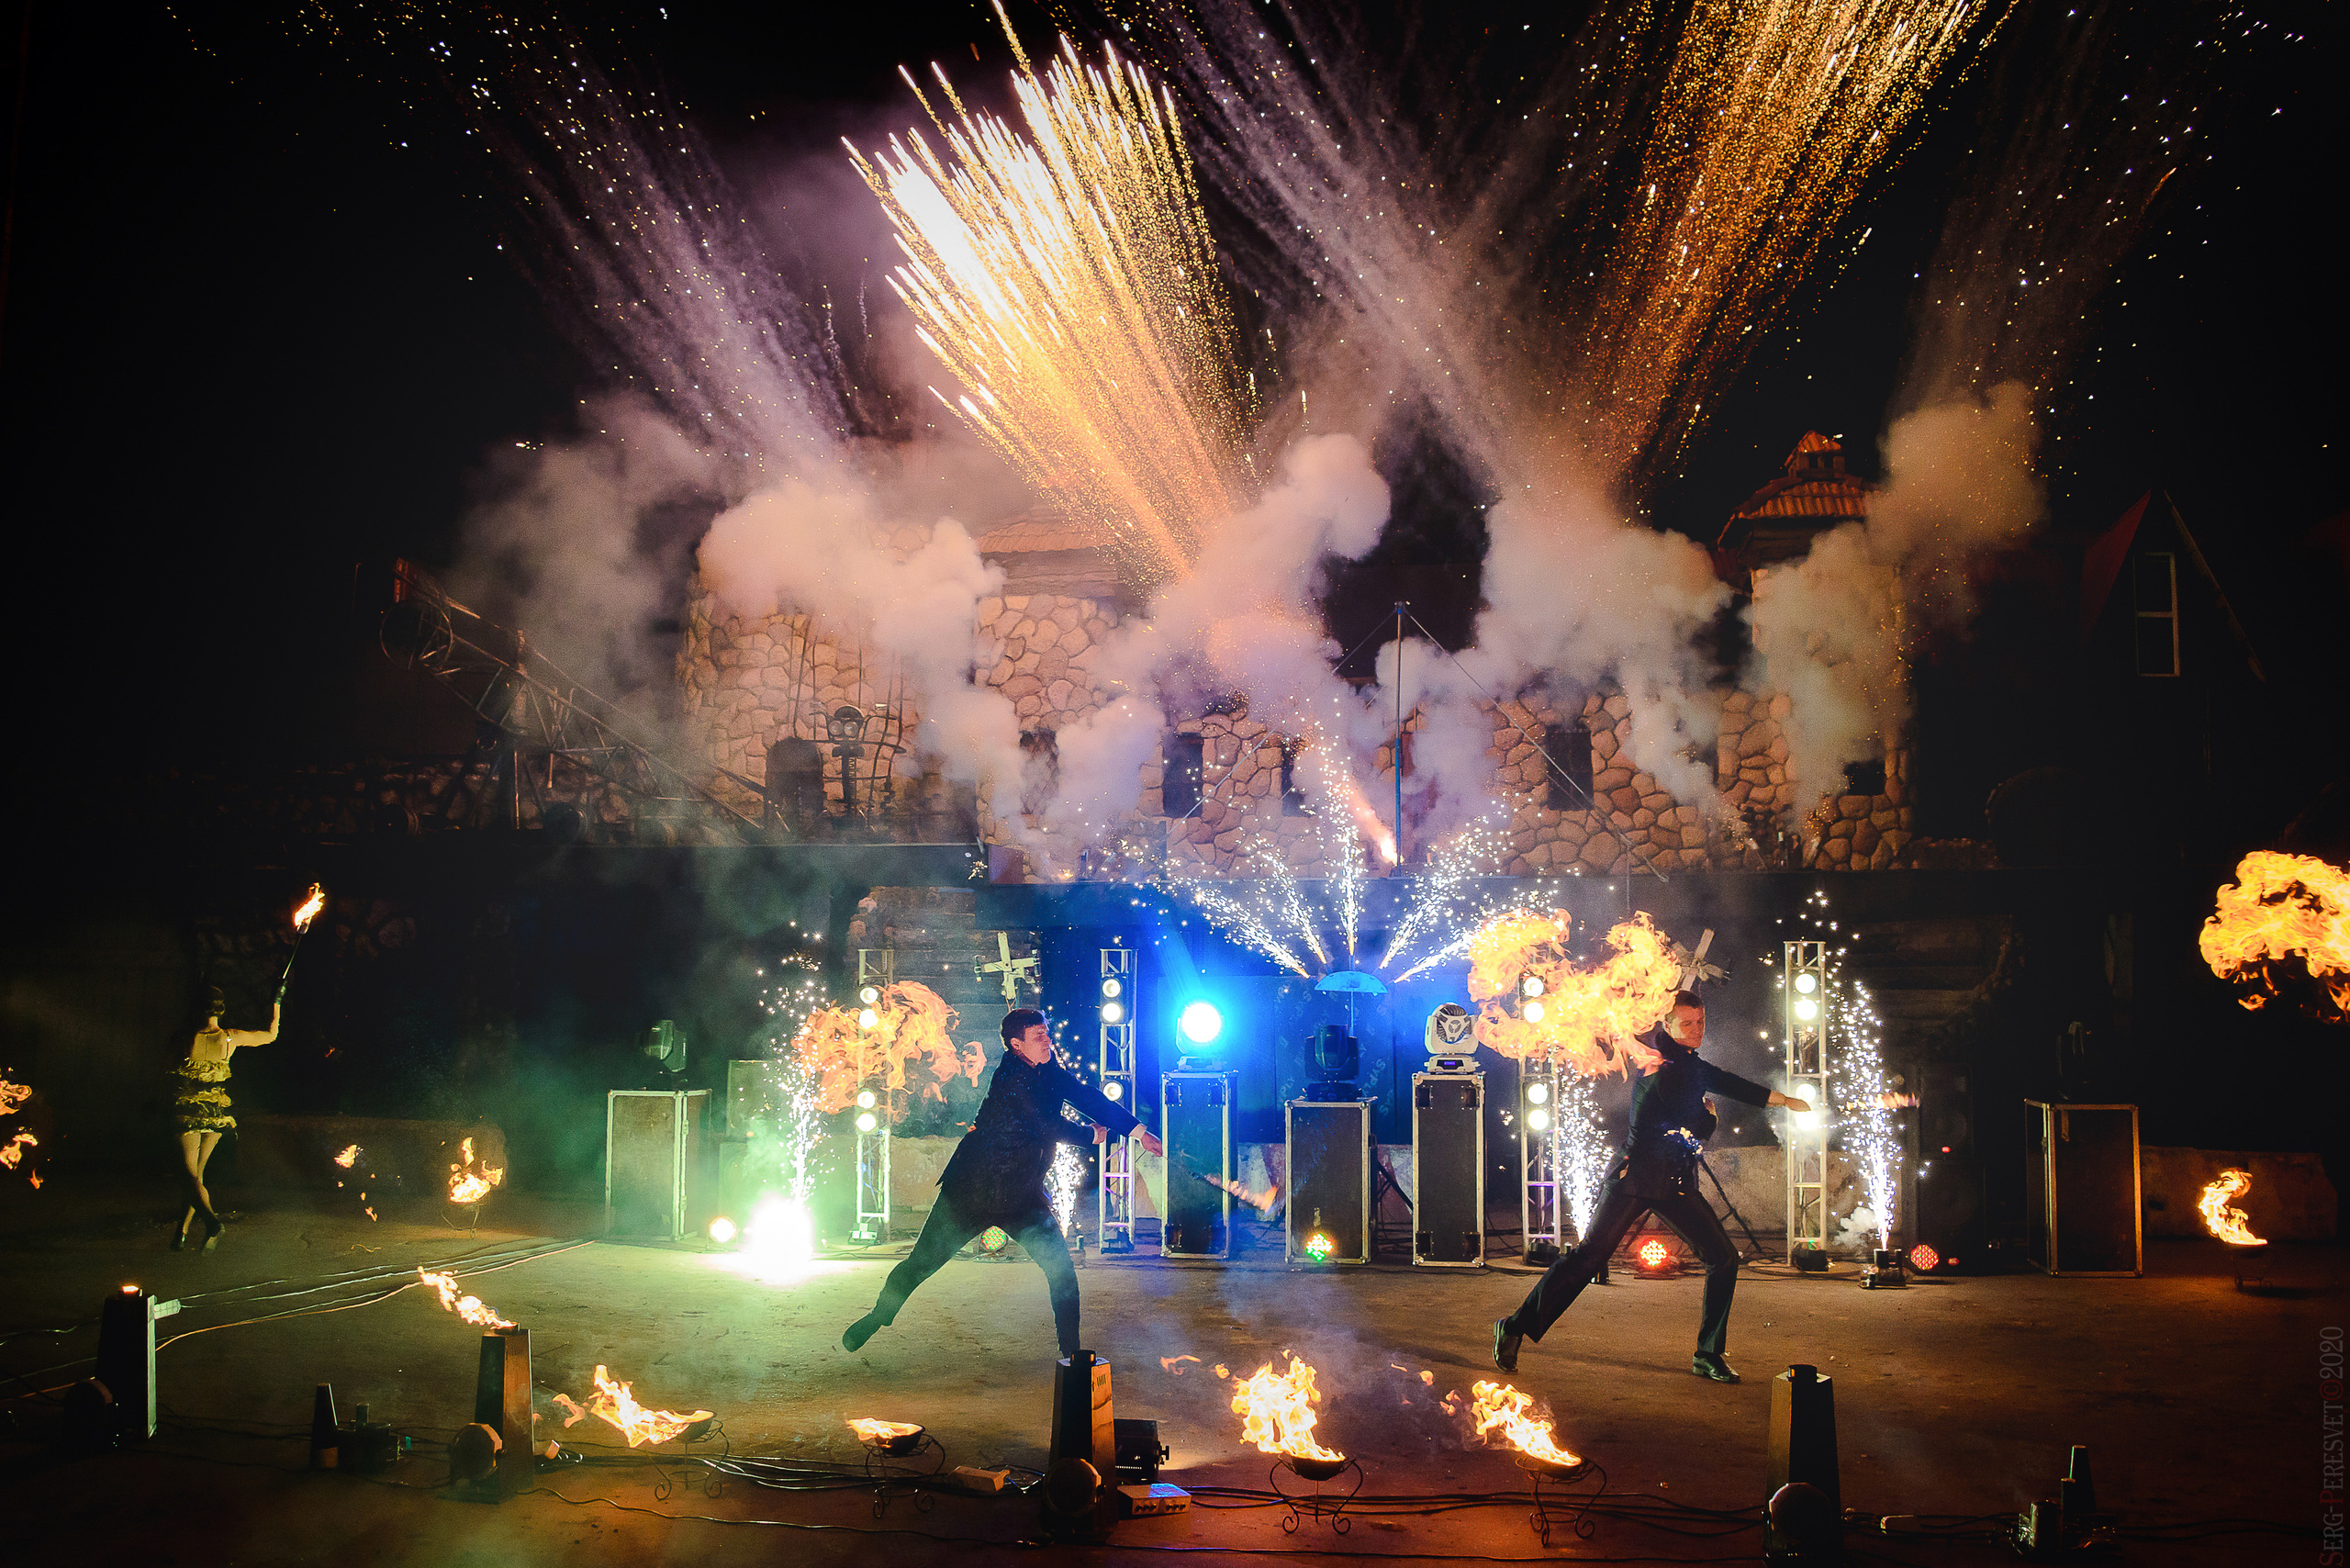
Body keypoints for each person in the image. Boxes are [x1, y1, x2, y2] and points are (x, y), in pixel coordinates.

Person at [1492, 991, 1807, 1383]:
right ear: (1668, 1026)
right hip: (1635, 1180)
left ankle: (1708, 1354)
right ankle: (1515, 1327)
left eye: (1701, 1022)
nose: (1696, 1031)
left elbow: (1733, 1085)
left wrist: (1787, 1100)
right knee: (1589, 1258)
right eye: (1687, 1024)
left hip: (1674, 1183)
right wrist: (1707, 1120)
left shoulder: (1692, 1066)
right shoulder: (1655, 1067)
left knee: (1724, 1257)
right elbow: (1682, 1123)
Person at [842, 1008, 1163, 1360]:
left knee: (1062, 1272)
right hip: (971, 1192)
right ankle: (878, 1316)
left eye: (1047, 1034)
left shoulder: (1049, 1071)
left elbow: (1088, 1098)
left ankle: (1072, 1355)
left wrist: (1138, 1132)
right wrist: (1090, 1135)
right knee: (921, 1263)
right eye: (1038, 1037)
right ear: (1016, 1045)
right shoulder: (1010, 1077)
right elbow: (1045, 1125)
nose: (1048, 1041)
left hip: (1021, 1198)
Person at [173, 984, 279, 1250]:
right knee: (198, 1175)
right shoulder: (231, 1037)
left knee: (190, 1176)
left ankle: (212, 1222)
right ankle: (181, 1232)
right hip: (215, 1114)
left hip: (187, 1114)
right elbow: (270, 1035)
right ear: (221, 1009)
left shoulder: (185, 1037)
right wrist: (276, 1005)